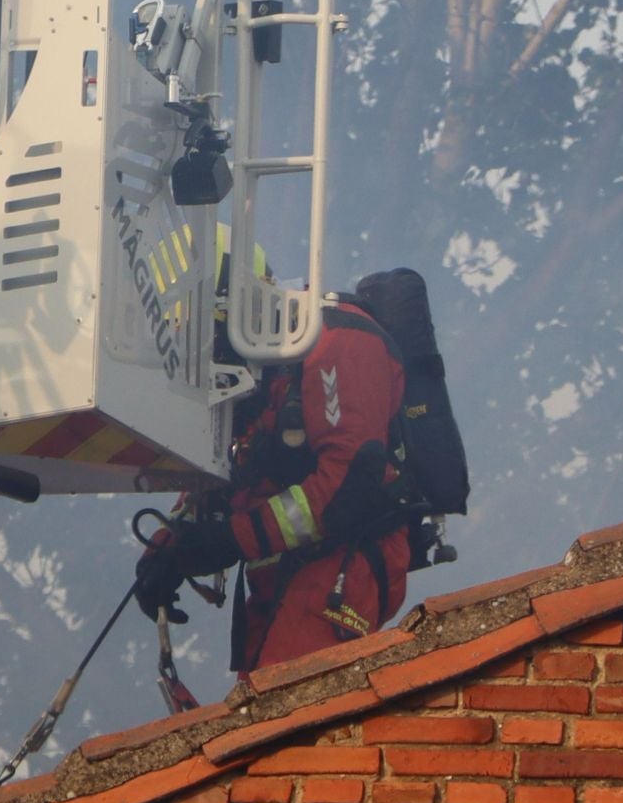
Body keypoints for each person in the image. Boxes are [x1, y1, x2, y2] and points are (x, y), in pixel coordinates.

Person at [134, 272, 414, 675]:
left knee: (289, 706)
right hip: (279, 568)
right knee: (261, 713)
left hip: (345, 561)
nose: (200, 351)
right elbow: (225, 468)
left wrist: (231, 538)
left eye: (204, 331)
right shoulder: (252, 370)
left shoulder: (338, 341)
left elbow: (348, 483)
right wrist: (166, 551)